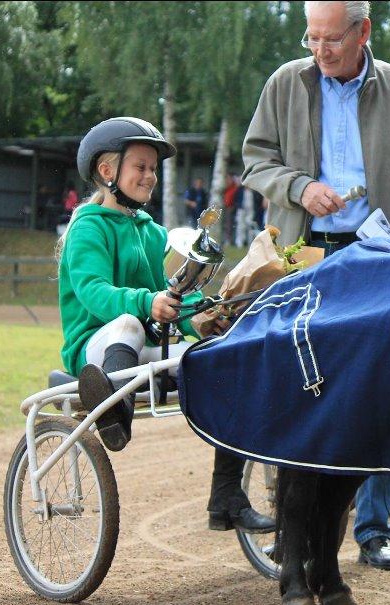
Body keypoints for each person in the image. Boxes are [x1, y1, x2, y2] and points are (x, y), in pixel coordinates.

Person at [242, 0, 390, 570]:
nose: (321, 50)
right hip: (304, 256)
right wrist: (301, 187)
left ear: (364, 32)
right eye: (312, 38)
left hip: (380, 258)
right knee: (298, 388)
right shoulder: (286, 83)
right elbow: (255, 161)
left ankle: (376, 530)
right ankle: (293, 526)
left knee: (379, 386)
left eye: (332, 39)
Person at [59, 116, 274, 534]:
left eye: (153, 168)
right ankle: (114, 414)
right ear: (108, 172)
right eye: (140, 166)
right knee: (126, 322)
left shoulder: (152, 232)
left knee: (224, 359)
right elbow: (94, 292)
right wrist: (147, 302)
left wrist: (209, 314)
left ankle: (226, 495)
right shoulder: (86, 227)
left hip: (142, 350)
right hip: (94, 345)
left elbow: (171, 296)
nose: (150, 176)